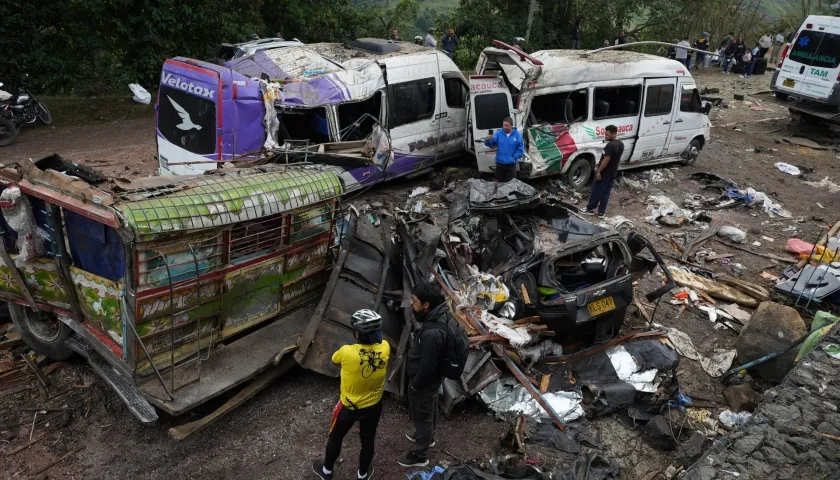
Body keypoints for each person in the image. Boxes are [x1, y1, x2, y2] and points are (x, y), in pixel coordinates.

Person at [312, 309, 390, 480]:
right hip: (373, 406)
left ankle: (326, 471)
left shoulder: (347, 351)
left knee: (335, 437)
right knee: (368, 440)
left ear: (357, 333)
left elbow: (334, 359)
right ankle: (362, 475)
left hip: (349, 407)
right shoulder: (385, 348)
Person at [397, 282, 449, 468]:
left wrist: (415, 384)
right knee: (431, 406)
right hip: (433, 379)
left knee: (423, 415)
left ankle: (420, 455)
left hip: (425, 381)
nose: (412, 303)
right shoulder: (439, 315)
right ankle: (428, 437)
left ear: (426, 305)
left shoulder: (433, 333)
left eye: (415, 301)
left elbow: (427, 366)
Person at [582, 125, 623, 218]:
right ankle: (601, 212)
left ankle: (590, 209)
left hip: (605, 172)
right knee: (606, 193)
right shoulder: (621, 144)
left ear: (614, 134)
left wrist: (598, 171)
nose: (605, 136)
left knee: (596, 191)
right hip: (613, 172)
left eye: (607, 134)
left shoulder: (610, 145)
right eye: (605, 134)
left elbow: (605, 161)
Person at [483, 117, 524, 182]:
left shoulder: (517, 135)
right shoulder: (499, 133)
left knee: (511, 183)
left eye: (507, 125)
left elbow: (520, 149)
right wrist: (487, 140)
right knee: (499, 183)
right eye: (503, 125)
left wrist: (514, 158)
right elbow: (492, 145)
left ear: (511, 125)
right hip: (500, 163)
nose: (504, 127)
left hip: (511, 164)